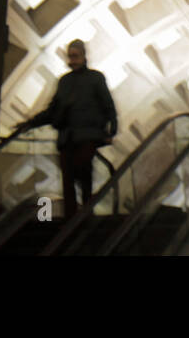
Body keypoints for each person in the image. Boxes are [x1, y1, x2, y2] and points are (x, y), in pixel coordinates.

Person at [16, 39, 117, 218]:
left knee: (84, 173)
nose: (72, 60)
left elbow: (108, 105)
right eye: (70, 57)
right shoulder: (64, 82)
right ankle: (72, 218)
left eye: (75, 56)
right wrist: (30, 123)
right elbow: (52, 110)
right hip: (67, 138)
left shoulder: (95, 78)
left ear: (84, 56)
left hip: (87, 136)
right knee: (68, 180)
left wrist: (111, 131)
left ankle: (85, 213)